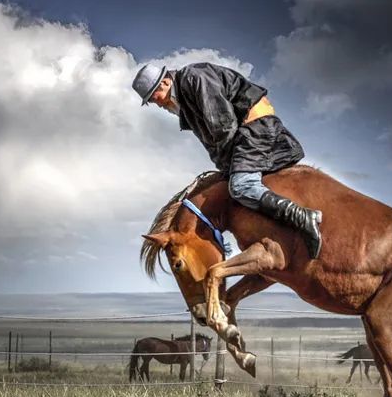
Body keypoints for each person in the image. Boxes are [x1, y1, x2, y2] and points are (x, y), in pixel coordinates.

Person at [132, 62, 323, 258]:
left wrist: (230, 169)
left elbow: (223, 125)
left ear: (164, 82)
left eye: (154, 98)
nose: (157, 104)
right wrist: (224, 170)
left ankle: (303, 218)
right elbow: (214, 143)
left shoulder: (194, 78)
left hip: (256, 129)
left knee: (241, 186)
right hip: (244, 136)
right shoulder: (185, 99)